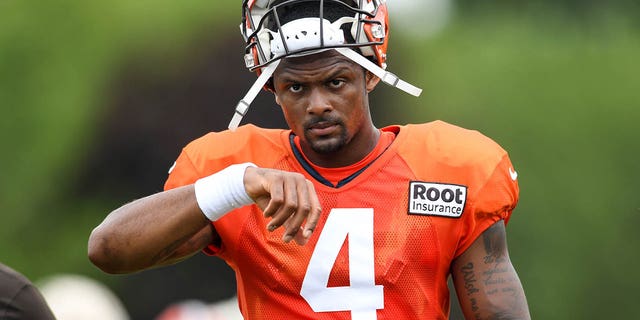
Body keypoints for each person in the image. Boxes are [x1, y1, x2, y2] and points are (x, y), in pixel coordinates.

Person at [88, 1, 531, 319]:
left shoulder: (451, 168)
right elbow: (108, 251)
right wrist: (235, 185)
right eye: (297, 88)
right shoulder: (238, 172)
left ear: (371, 76)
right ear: (272, 90)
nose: (318, 104)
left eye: (336, 81)